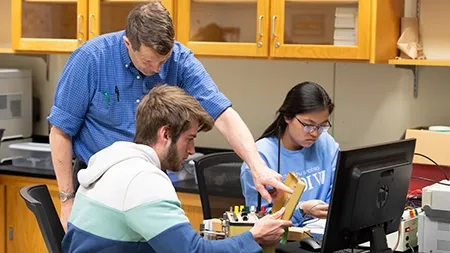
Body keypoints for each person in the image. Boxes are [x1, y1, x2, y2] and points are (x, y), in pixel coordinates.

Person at [47, 1, 291, 230]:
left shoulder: (180, 59)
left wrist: (257, 167)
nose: (157, 70)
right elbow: (60, 132)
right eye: (148, 61)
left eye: (163, 61)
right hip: (97, 184)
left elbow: (222, 113)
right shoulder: (91, 59)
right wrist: (67, 201)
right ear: (127, 44)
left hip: (150, 182)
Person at [62, 85, 292, 253]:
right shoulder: (143, 180)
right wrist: (254, 237)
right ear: (165, 134)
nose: (192, 150)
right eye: (189, 139)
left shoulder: (115, 161)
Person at [240, 82, 340, 227]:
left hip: (322, 233)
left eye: (322, 126)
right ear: (287, 117)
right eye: (308, 124)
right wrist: (301, 210)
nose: (315, 133)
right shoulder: (260, 158)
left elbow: (338, 194)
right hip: (285, 239)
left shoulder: (326, 144)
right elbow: (261, 221)